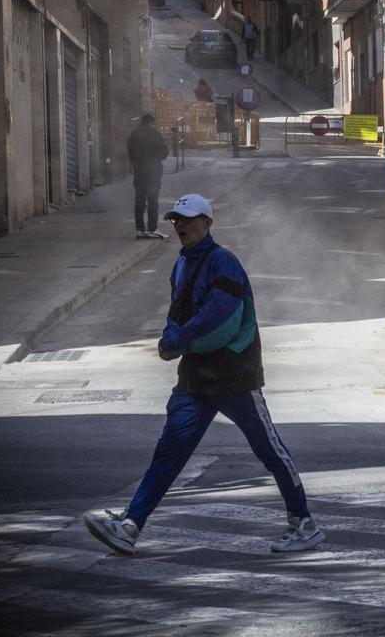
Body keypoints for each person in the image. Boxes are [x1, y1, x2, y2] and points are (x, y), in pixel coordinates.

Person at [84, 193, 324, 556]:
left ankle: (303, 523)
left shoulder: (223, 262)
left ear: (208, 223)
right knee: (169, 453)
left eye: (188, 219)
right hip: (196, 377)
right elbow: (177, 311)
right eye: (176, 219)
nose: (180, 225)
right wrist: (168, 336)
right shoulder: (182, 265)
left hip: (233, 374)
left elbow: (220, 315)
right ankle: (130, 526)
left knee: (268, 448)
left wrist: (179, 339)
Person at [127, 113, 170, 239]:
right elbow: (165, 152)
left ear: (141, 122)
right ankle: (152, 229)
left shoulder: (134, 135)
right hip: (153, 172)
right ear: (152, 123)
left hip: (139, 172)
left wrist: (136, 164)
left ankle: (140, 230)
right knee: (153, 200)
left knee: (139, 201)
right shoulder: (154, 134)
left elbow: (130, 153)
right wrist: (156, 159)